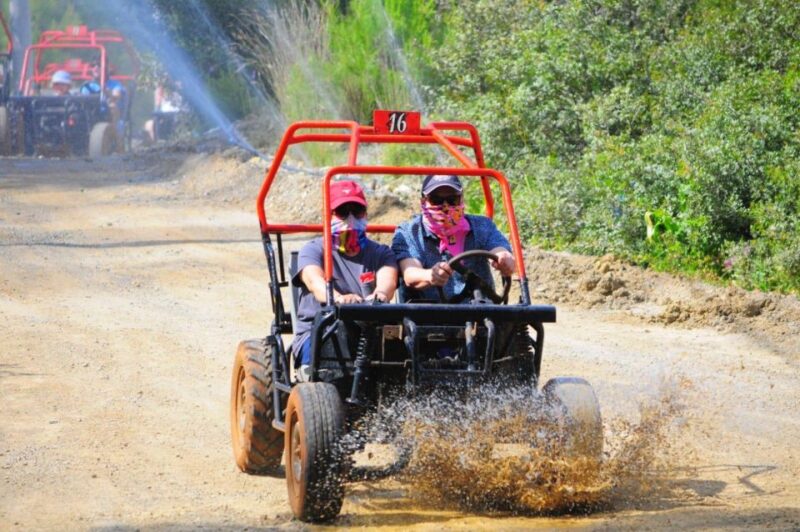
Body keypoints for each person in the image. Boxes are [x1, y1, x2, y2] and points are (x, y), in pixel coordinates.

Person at [291, 180, 398, 380]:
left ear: (365, 214)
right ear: (328, 215)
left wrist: (380, 295)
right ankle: (316, 380)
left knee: (402, 337)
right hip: (321, 330)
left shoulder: (381, 253)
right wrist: (339, 299)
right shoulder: (313, 250)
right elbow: (314, 282)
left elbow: (388, 281)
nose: (350, 219)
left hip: (369, 329)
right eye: (342, 212)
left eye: (357, 211)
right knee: (338, 329)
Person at [392, 174, 515, 301]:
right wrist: (430, 275)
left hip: (480, 306)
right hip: (429, 309)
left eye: (452, 200)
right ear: (423, 201)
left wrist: (503, 257)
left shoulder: (481, 226)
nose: (445, 206)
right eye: (436, 200)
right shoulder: (409, 232)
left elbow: (498, 248)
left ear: (461, 199)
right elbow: (410, 273)